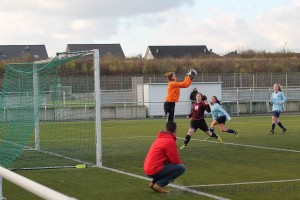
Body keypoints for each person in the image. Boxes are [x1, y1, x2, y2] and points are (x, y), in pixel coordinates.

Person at [144, 121, 185, 193]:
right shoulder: (170, 141)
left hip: (148, 168)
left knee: (166, 165)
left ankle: (153, 183)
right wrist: (180, 162)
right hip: (154, 169)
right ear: (175, 130)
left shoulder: (159, 138)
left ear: (166, 129)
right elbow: (175, 161)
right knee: (181, 168)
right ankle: (159, 184)